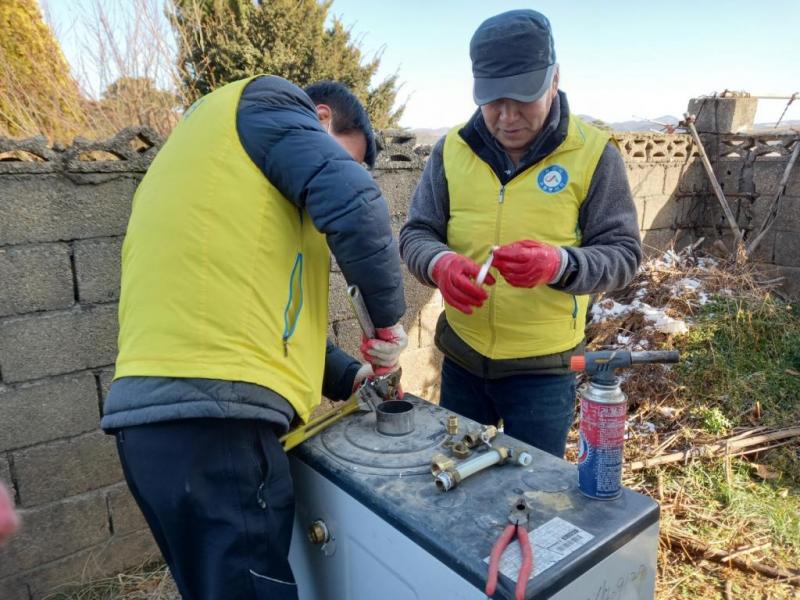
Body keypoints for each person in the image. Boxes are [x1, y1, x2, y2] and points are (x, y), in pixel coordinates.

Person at [101, 76, 407, 599]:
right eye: (347, 160)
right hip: (215, 423)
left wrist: (350, 376)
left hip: (155, 427)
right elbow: (358, 206)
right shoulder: (271, 103)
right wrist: (388, 324)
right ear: (322, 118)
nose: (338, 172)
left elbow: (260, 321)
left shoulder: (213, 163)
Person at [400, 9, 641, 458]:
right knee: (458, 479)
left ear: (554, 79)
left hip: (544, 376)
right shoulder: (451, 150)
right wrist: (439, 263)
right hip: (463, 363)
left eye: (523, 98)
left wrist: (560, 264)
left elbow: (624, 254)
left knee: (532, 491)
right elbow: (416, 233)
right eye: (493, 102)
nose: (507, 117)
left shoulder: (592, 155)